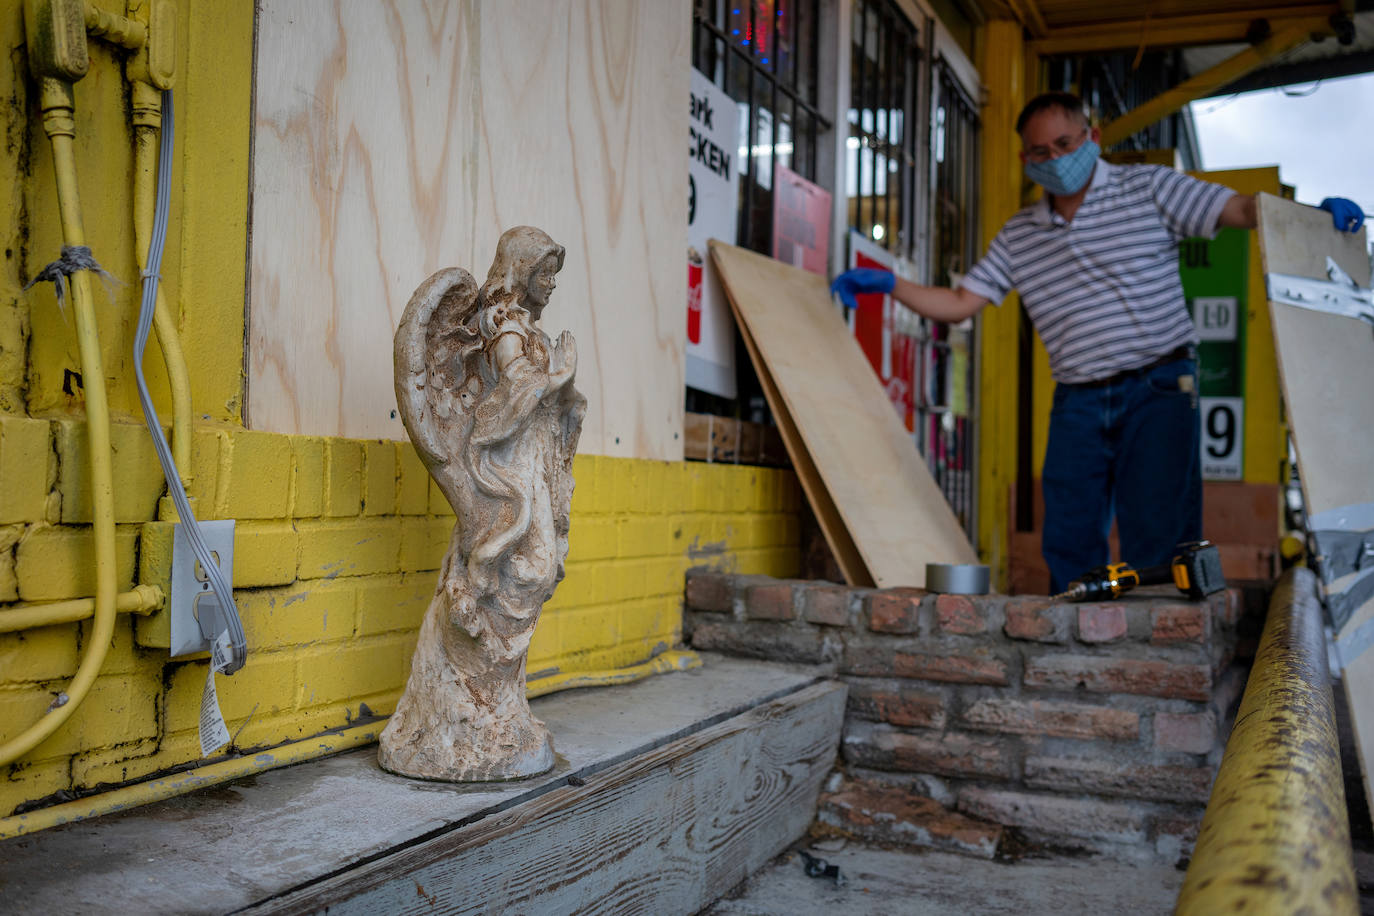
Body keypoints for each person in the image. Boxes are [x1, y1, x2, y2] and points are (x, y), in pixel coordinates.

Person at [831, 91, 1365, 593]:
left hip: (1159, 387)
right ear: (1025, 159)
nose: (1055, 158)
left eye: (1065, 144)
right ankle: (1076, 645)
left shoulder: (1151, 189)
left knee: (1159, 533)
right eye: (1041, 151)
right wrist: (888, 283)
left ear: (1094, 137)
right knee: (1068, 534)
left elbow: (1242, 211)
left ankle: (1166, 648)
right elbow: (960, 303)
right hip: (1077, 399)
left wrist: (1308, 219)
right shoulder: (1020, 235)